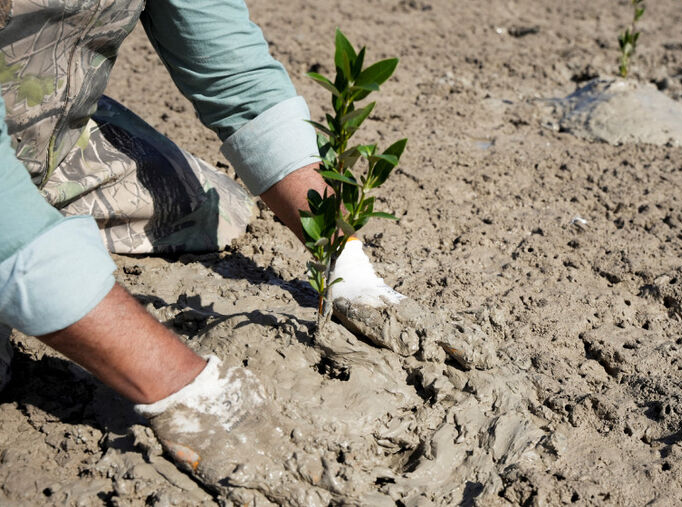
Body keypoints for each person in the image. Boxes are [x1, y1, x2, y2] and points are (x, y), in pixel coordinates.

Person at [0, 0, 489, 503]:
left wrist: (345, 260)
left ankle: (47, 238)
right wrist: (187, 392)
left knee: (213, 209)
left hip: (45, 121)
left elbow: (235, 73)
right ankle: (44, 249)